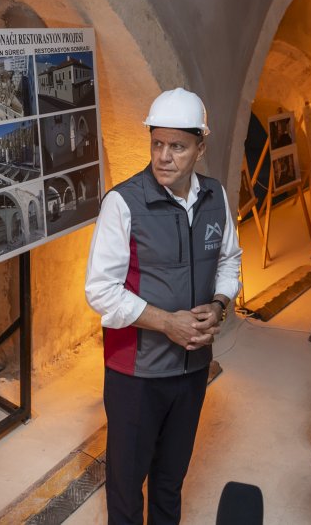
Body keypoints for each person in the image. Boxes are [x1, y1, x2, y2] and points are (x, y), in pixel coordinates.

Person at [85, 87, 242, 524]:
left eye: (178, 146)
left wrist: (219, 303)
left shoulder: (216, 197)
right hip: (135, 375)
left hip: (192, 371)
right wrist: (165, 322)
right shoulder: (123, 203)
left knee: (170, 482)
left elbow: (229, 259)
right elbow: (100, 290)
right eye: (157, 143)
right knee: (125, 487)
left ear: (200, 147)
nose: (164, 157)